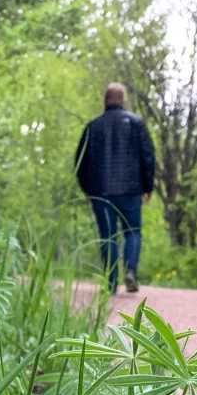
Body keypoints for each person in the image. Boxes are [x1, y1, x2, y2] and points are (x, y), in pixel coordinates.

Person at [75, 82, 156, 294]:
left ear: (104, 102)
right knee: (133, 232)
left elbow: (80, 161)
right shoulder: (137, 123)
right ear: (124, 101)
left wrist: (86, 188)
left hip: (100, 191)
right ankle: (130, 271)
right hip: (131, 189)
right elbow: (148, 157)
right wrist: (148, 186)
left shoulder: (93, 127)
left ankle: (111, 283)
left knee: (108, 236)